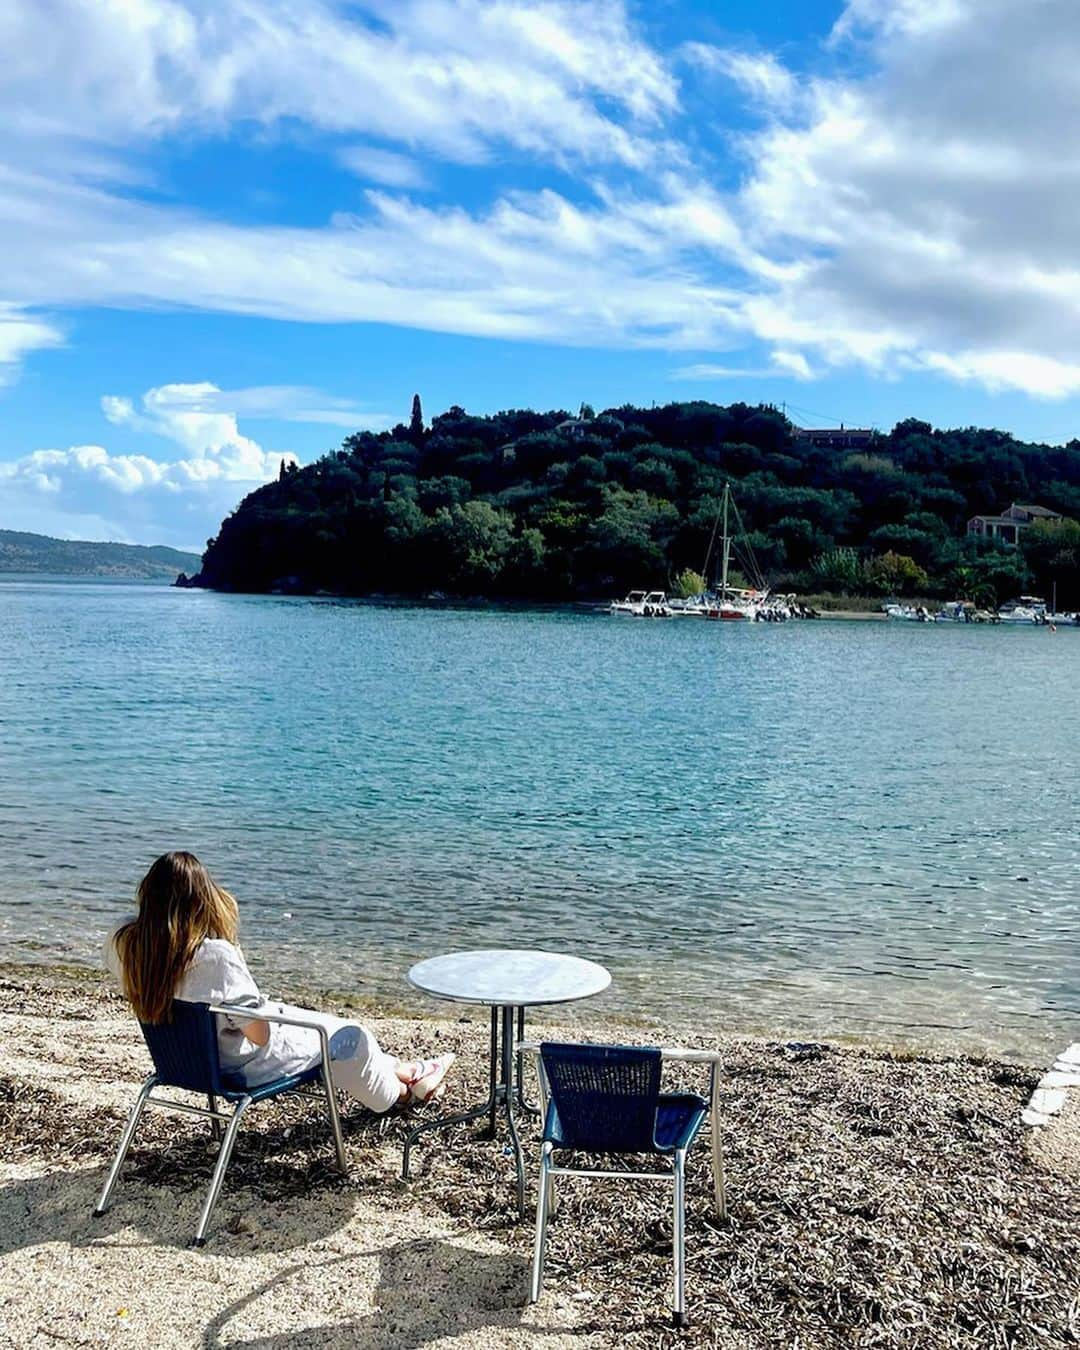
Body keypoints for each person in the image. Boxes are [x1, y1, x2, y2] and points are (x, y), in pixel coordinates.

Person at [105, 851, 454, 1112]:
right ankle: (403, 1096)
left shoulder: (124, 946)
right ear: (201, 902)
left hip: (183, 1063)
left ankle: (407, 1069)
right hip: (241, 1069)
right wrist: (237, 964)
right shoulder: (214, 957)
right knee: (353, 1037)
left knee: (339, 1027)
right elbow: (260, 1035)